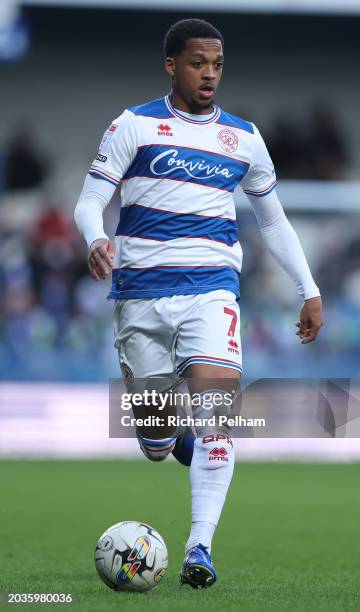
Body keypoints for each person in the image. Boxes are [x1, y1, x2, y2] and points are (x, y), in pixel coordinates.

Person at [74, 18, 323, 589]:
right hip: (139, 296)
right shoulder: (133, 125)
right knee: (156, 444)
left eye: (217, 64)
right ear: (171, 65)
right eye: (197, 63)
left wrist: (308, 288)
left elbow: (273, 221)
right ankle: (172, 439)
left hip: (210, 291)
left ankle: (199, 548)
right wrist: (95, 239)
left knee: (218, 412)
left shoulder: (245, 138)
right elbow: (90, 202)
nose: (209, 73)